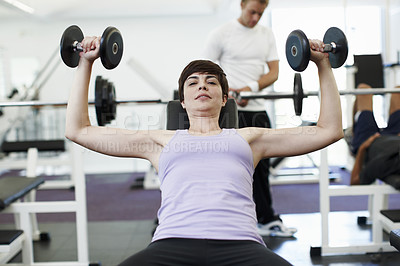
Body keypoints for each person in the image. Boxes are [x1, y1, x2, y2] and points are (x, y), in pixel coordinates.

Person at [65, 34, 343, 265]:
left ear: (225, 99)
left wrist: (323, 65)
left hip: (242, 245)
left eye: (211, 82)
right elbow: (78, 130)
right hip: (172, 244)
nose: (202, 86)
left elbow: (328, 131)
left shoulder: (249, 138)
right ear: (182, 101)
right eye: (193, 83)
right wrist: (85, 63)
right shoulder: (159, 141)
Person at [202, 0, 293, 237]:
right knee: (226, 167)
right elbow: (205, 71)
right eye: (252, 12)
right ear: (242, 4)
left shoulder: (266, 34)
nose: (255, 18)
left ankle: (266, 218)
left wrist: (251, 88)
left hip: (257, 109)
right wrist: (230, 92)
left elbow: (274, 72)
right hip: (229, 110)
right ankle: (221, 220)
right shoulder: (221, 33)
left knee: (261, 167)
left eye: (260, 14)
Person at [350, 83, 400, 189]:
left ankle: (355, 129)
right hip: (395, 136)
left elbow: (354, 182)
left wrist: (362, 148)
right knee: (398, 90)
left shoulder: (384, 164)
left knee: (363, 89)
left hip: (369, 140)